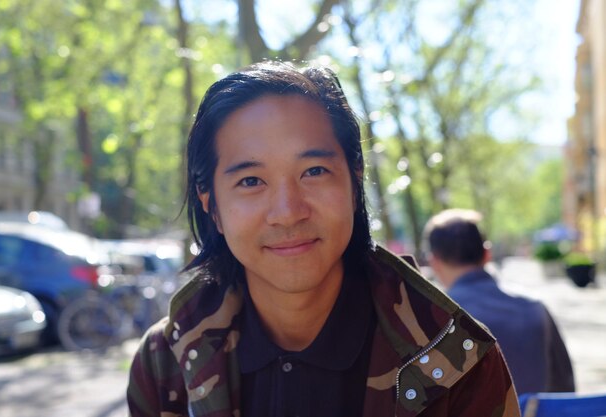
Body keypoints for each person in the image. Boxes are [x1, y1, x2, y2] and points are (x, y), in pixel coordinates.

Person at [127, 61, 519, 417]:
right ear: (211, 204)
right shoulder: (166, 364)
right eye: (250, 181)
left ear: (354, 178)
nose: (287, 211)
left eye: (313, 171)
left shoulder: (455, 360)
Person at [424, 208, 575, 396]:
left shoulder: (433, 319)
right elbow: (565, 386)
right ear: (487, 253)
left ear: (434, 262)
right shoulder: (534, 307)